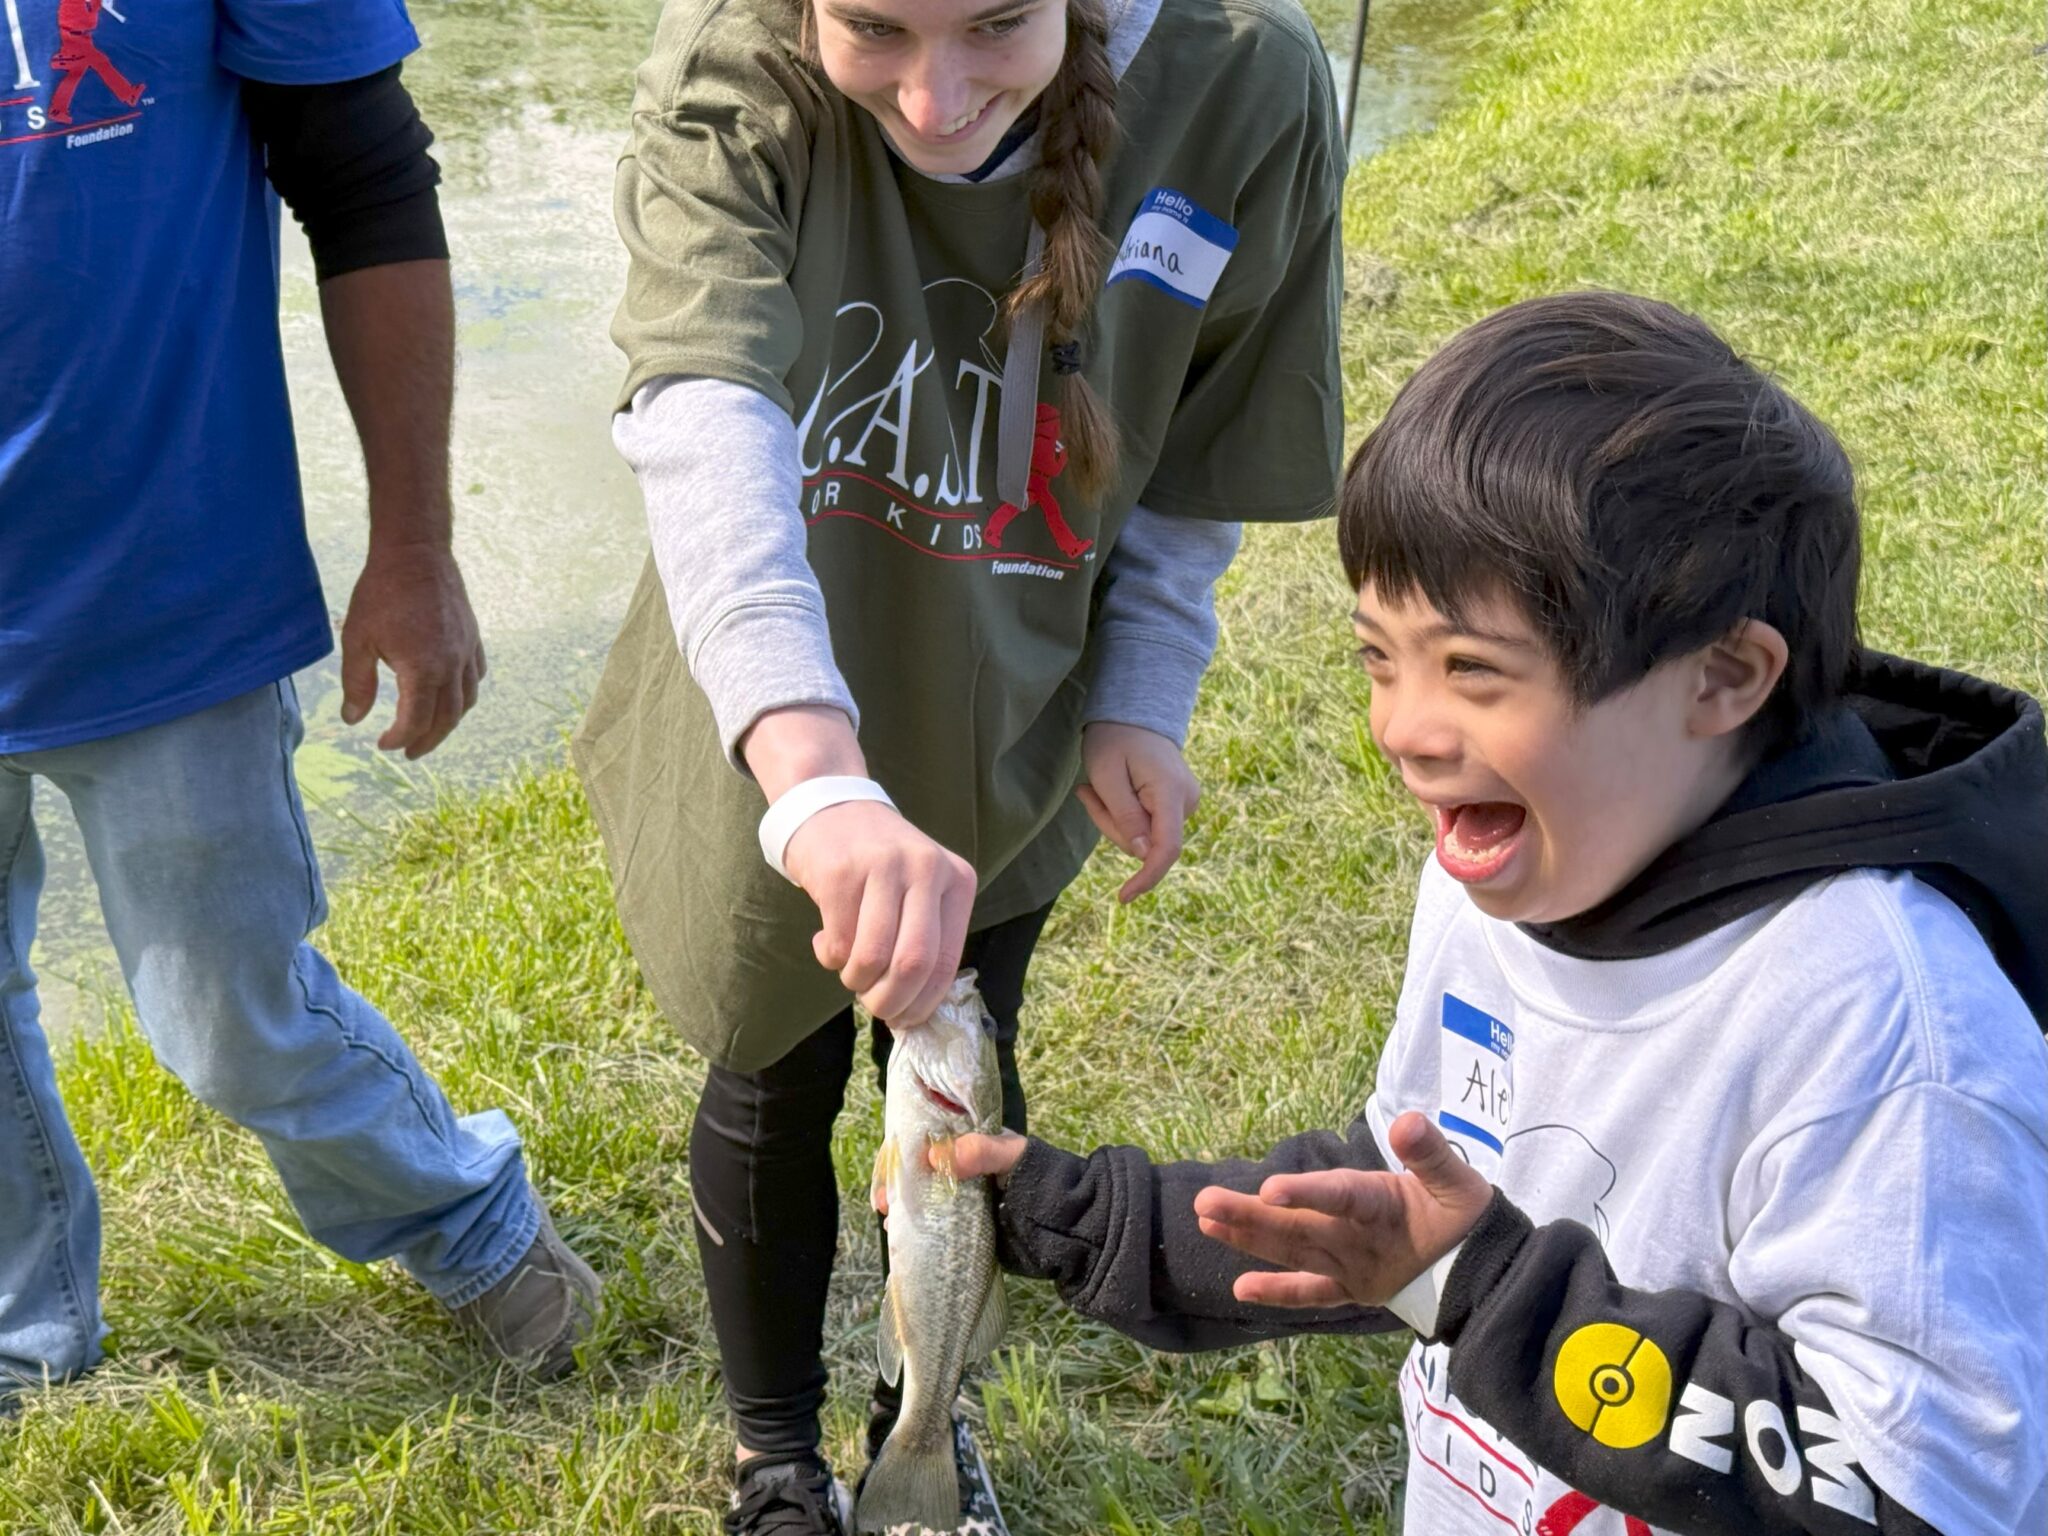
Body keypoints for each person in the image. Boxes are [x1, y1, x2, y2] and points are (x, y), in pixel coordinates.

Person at [931, 292, 2048, 1535]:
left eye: (1472, 669)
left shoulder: (1878, 1024)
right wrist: (1105, 1224)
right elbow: (1415, 1197)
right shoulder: (1495, 878)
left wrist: (1477, 1284)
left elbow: (1923, 1490)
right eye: (1376, 656)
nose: (1403, 728)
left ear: (1722, 677)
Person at [573, 0, 1347, 1527]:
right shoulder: (734, 62)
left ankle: (919, 1412)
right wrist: (814, 782)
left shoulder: (1248, 77)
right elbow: (705, 410)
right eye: (874, 28)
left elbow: (1200, 437)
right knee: (771, 1064)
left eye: (1000, 25)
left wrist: (1138, 695)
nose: (936, 100)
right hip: (779, 672)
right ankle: (774, 1452)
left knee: (962, 1075)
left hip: (1016, 684)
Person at [0, 0, 600, 1401]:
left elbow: (368, 186)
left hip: (165, 591)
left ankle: (470, 1220)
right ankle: (27, 1342)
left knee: (227, 1014)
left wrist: (415, 548)